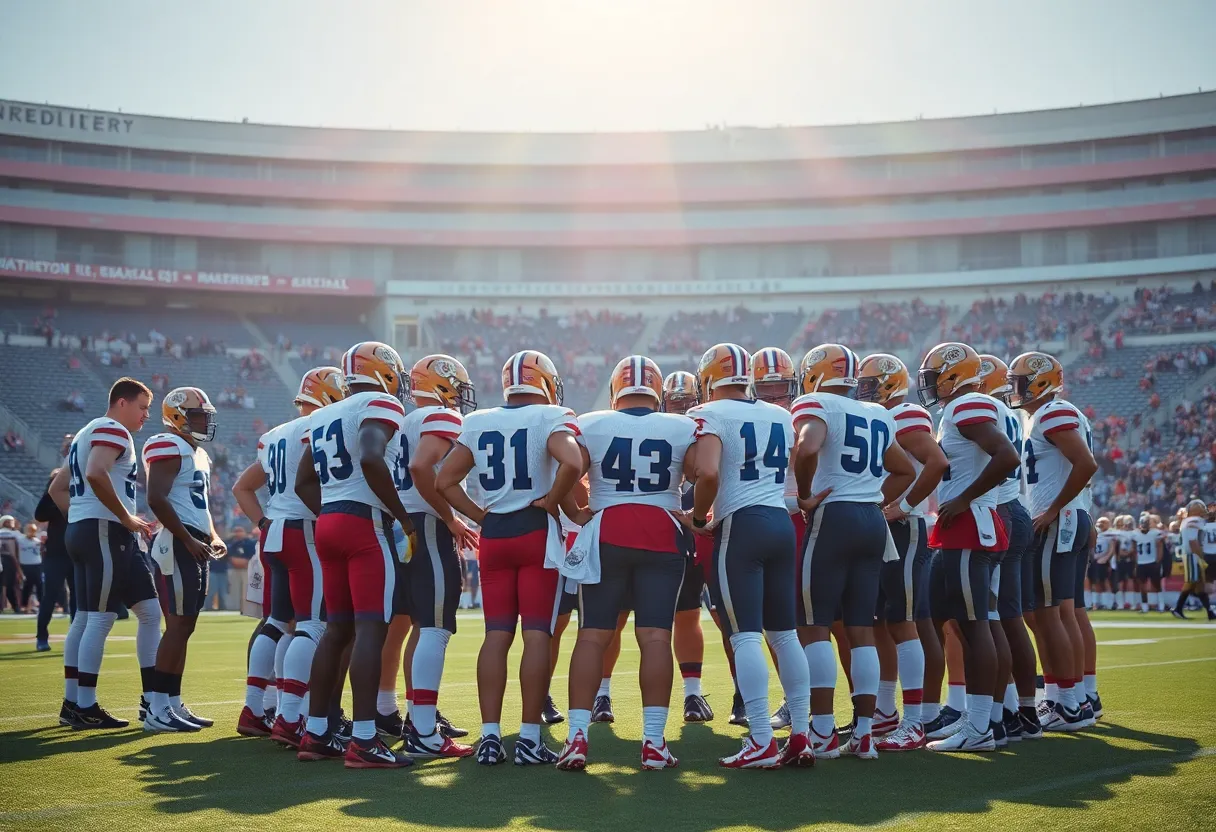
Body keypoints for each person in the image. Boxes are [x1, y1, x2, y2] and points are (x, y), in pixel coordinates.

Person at [435, 349, 582, 766]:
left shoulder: (478, 421)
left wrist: (482, 516)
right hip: (534, 531)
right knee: (537, 634)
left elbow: (445, 480)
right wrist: (552, 500)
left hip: (496, 536)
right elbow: (572, 461)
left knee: (496, 635)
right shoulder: (550, 416)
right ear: (546, 383)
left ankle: (489, 736)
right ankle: (530, 738)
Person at [555, 356, 695, 771]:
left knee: (592, 636)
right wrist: (695, 516)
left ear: (616, 390)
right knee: (655, 639)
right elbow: (704, 471)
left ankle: (578, 737)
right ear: (658, 391)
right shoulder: (682, 425)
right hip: (661, 531)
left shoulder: (592, 422)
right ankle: (653, 742)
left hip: (607, 529)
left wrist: (577, 510)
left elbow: (566, 470)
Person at [687, 343, 811, 769]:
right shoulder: (780, 414)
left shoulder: (709, 414)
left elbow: (707, 472)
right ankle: (801, 734)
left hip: (740, 524)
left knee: (744, 635)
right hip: (780, 520)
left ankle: (760, 737)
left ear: (709, 377)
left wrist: (696, 513)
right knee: (786, 633)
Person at [293, 342, 416, 769]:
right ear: (383, 372)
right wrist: (402, 517)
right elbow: (370, 455)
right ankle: (364, 739)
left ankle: (316, 731)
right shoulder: (379, 402)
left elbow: (303, 482)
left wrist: (331, 512)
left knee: (336, 630)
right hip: (364, 524)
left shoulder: (325, 413)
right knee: (369, 630)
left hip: (330, 522)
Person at [792, 345, 915, 759]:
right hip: (871, 522)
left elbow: (807, 448)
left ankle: (823, 730)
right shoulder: (878, 412)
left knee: (814, 625)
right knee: (861, 628)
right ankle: (864, 733)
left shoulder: (817, 403)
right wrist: (873, 500)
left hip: (835, 516)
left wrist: (807, 496)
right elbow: (906, 471)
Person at [230, 366, 348, 743]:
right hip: (304, 529)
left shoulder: (275, 434)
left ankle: (257, 707)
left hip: (275, 532)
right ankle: (290, 716)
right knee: (312, 624)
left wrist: (262, 522)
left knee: (277, 621)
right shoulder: (319, 425)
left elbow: (241, 487)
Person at [917, 343, 1018, 752]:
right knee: (960, 619)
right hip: (967, 525)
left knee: (976, 625)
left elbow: (1006, 456)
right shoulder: (964, 407)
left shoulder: (966, 406)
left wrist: (964, 498)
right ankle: (982, 718)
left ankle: (979, 727)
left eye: (933, 376)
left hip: (970, 524)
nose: (928, 384)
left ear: (953, 373)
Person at [48, 377, 161, 730]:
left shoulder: (85, 433)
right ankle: (83, 705)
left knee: (144, 610)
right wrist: (124, 516)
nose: (146, 416)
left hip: (89, 528)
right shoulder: (112, 429)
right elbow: (96, 472)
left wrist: (80, 515)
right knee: (97, 618)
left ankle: (144, 698)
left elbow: (57, 488)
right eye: (142, 407)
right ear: (122, 402)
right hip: (104, 531)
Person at [856, 353, 948, 752]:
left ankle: (916, 720)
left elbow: (936, 462)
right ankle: (886, 710)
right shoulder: (878, 415)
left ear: (892, 383)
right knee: (881, 621)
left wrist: (906, 505)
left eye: (871, 384)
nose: (864, 391)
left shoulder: (905, 413)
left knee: (904, 620)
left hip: (905, 527)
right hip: (884, 526)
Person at [1007, 351, 1098, 732]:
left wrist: (1054, 509)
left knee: (1050, 613)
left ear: (1041, 380)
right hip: (1069, 516)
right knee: (1066, 611)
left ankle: (1066, 701)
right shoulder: (1053, 413)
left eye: (1020, 381)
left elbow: (1086, 463)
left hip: (1057, 519)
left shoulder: (1051, 413)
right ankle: (1081, 696)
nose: (1015, 389)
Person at [395, 354, 479, 759]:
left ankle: (417, 717)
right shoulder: (438, 418)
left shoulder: (400, 420)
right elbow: (420, 465)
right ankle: (424, 731)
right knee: (435, 627)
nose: (461, 397)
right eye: (458, 388)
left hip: (400, 524)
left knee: (419, 625)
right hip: (424, 522)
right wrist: (450, 518)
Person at [142, 387, 224, 733]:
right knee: (176, 625)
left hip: (193, 539)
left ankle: (173, 703)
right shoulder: (168, 443)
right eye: (197, 415)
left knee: (186, 626)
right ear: (177, 416)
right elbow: (156, 498)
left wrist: (213, 535)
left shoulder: (197, 453)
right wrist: (187, 538)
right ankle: (156, 707)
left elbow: (198, 504)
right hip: (177, 542)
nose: (205, 421)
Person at [978, 355, 1038, 743]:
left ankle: (1001, 712)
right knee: (1007, 616)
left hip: (997, 509)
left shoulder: (984, 409)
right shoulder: (1009, 413)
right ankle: (1021, 708)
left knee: (992, 617)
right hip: (1013, 506)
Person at [661, 370, 717, 725]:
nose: (682, 408)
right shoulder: (708, 426)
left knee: (619, 619)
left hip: (682, 526)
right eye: (677, 402)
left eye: (686, 402)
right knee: (693, 616)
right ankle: (695, 695)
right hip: (691, 525)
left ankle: (601, 698)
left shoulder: (666, 427)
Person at [35, 470, 74, 652]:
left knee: (78, 599)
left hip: (77, 554)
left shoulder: (78, 494)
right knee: (49, 596)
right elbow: (40, 515)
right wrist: (50, 491)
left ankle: (76, 638)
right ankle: (42, 636)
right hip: (56, 555)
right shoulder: (51, 499)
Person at [1174, 500, 1215, 619]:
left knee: (1199, 586)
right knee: (1191, 582)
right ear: (1194, 510)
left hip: (1192, 554)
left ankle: (1209, 612)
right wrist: (1202, 557)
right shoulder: (1193, 521)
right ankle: (1178, 608)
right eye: (1200, 506)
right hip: (1192, 555)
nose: (1203, 508)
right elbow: (1193, 542)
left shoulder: (1194, 520)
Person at [1130, 513, 1164, 613]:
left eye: (1146, 523)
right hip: (1141, 563)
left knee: (1157, 585)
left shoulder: (1155, 533)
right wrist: (1135, 563)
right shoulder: (1135, 534)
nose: (1144, 524)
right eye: (1143, 523)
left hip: (1152, 562)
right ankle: (1145, 607)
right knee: (1142, 586)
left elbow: (1159, 548)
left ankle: (1161, 606)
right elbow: (1134, 549)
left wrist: (1158, 561)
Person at [226, 527, 257, 612]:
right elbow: (229, 556)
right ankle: (233, 609)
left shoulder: (251, 543)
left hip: (247, 570)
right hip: (234, 569)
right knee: (234, 590)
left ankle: (246, 609)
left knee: (246, 591)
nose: (238, 533)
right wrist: (235, 561)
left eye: (240, 531)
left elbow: (253, 556)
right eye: (236, 531)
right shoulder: (231, 543)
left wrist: (245, 562)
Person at [18, 522, 43, 612]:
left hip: (37, 565)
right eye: (30, 530)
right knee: (27, 586)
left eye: (33, 530)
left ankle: (42, 604)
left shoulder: (37, 541)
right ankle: (24, 606)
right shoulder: (20, 540)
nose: (31, 532)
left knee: (39, 585)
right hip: (25, 565)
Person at [0, 516, 20, 612]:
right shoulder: (15, 534)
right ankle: (15, 606)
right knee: (10, 585)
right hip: (10, 560)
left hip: (5, 560)